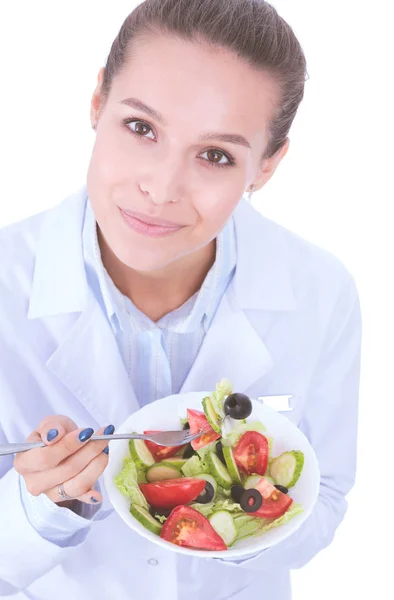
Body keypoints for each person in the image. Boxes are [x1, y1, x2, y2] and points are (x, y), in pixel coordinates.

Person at [0, 1, 362, 599]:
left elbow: (322, 502)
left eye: (216, 155)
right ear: (97, 103)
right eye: (141, 128)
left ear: (266, 166)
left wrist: (232, 509)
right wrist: (44, 507)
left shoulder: (320, 292)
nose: (160, 189)